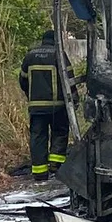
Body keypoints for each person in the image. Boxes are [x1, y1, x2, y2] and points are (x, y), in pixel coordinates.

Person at [18, 31, 72, 181]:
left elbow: (23, 80)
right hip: (58, 106)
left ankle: (40, 172)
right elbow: (69, 79)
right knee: (60, 132)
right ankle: (56, 165)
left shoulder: (30, 56)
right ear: (56, 41)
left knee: (38, 137)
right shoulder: (58, 54)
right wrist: (73, 98)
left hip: (36, 107)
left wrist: (31, 96)